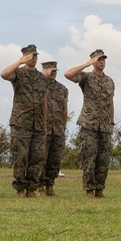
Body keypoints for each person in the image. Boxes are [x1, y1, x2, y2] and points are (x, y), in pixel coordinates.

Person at [65, 49, 115, 199]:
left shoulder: (109, 81)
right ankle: (89, 189)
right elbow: (68, 74)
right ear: (93, 61)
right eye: (98, 59)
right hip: (89, 124)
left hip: (105, 125)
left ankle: (99, 189)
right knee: (89, 158)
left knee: (103, 159)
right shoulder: (86, 77)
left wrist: (112, 122)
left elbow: (110, 102)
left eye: (103, 59)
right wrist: (86, 64)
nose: (101, 62)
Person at [1, 45, 47, 197]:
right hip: (21, 123)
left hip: (38, 124)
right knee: (21, 157)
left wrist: (45, 124)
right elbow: (4, 74)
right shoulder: (18, 73)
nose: (33, 58)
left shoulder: (42, 78)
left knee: (37, 157)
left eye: (35, 56)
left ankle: (31, 188)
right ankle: (20, 188)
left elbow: (44, 102)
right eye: (30, 56)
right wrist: (20, 62)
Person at [40, 61, 68, 196]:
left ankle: (50, 186)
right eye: (50, 70)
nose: (53, 72)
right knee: (40, 158)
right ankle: (39, 186)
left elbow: (64, 109)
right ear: (43, 70)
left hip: (57, 129)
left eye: (55, 70)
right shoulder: (37, 86)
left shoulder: (62, 89)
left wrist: (63, 125)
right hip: (41, 128)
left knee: (55, 159)